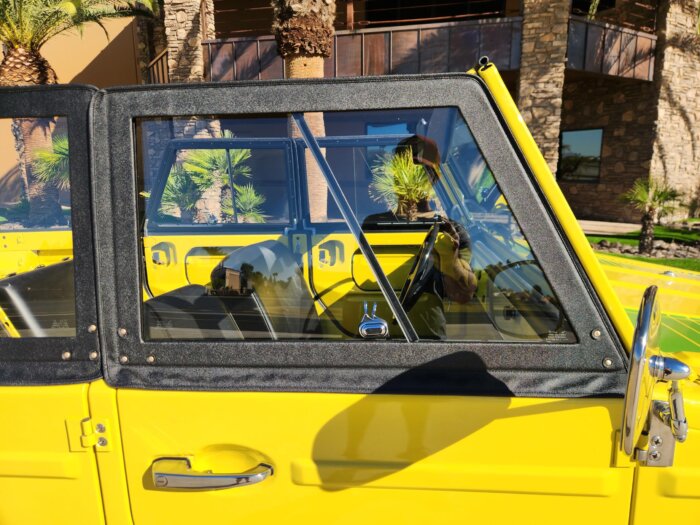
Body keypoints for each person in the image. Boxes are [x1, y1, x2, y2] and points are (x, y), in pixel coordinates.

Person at [363, 136, 478, 339]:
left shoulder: (450, 231)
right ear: (394, 175)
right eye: (403, 170)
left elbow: (462, 295)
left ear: (435, 178)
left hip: (426, 342)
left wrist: (450, 260)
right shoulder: (372, 226)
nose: (410, 177)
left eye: (421, 172)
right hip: (372, 334)